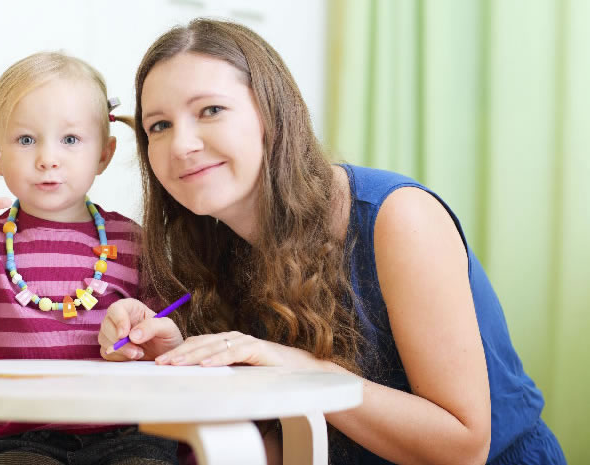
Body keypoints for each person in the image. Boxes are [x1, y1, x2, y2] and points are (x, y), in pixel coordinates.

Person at [98, 19, 566, 465]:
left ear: (271, 113)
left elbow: (462, 448)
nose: (181, 145)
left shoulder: (397, 218)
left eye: (211, 110)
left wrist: (298, 369)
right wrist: (183, 365)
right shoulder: (209, 253)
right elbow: (286, 448)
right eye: (158, 125)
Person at [0, 51, 178, 465]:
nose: (47, 158)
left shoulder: (131, 241)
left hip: (126, 435)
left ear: (104, 154)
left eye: (70, 139)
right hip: (18, 440)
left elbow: (167, 335)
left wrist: (148, 332)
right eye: (26, 139)